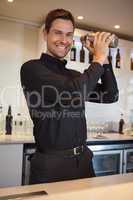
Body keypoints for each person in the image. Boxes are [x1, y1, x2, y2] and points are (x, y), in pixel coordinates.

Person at [20, 8, 119, 184]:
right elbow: (73, 93)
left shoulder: (73, 75)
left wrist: (104, 61)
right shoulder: (32, 69)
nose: (64, 40)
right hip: (51, 165)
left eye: (68, 35)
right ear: (45, 34)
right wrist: (97, 58)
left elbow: (110, 95)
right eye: (58, 33)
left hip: (83, 162)